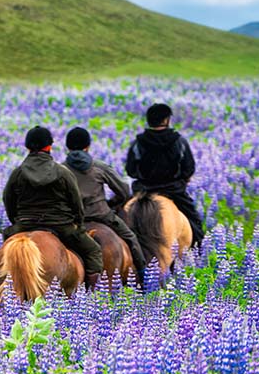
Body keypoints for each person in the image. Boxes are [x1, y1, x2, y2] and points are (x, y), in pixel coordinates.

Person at [2, 126, 105, 289]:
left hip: (25, 223)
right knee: (93, 251)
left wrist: (17, 221)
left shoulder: (18, 173)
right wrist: (78, 223)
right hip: (60, 225)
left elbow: (8, 200)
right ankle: (93, 295)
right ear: (49, 146)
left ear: (27, 147)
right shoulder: (62, 172)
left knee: (5, 249)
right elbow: (76, 203)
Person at [63, 127, 147, 276]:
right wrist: (112, 203)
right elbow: (123, 190)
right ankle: (143, 275)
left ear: (67, 147)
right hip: (101, 215)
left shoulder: (60, 169)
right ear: (87, 146)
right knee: (130, 237)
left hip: (72, 220)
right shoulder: (99, 167)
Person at [125, 103, 204, 245]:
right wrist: (182, 179)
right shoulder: (179, 141)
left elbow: (131, 170)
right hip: (173, 190)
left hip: (144, 191)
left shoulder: (138, 142)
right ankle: (198, 254)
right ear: (167, 120)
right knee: (194, 223)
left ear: (149, 120)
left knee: (120, 221)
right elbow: (188, 168)